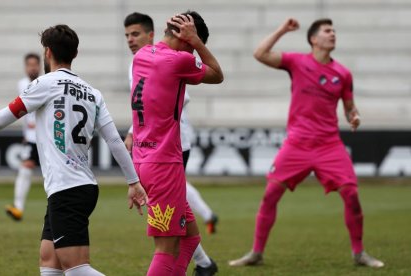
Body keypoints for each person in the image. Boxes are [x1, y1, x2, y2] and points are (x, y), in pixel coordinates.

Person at [228, 18, 384, 268]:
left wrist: (354, 116)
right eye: (327, 31)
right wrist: (281, 29)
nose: (333, 34)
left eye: (334, 30)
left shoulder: (343, 74)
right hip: (297, 144)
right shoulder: (296, 62)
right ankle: (256, 252)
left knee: (352, 195)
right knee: (270, 194)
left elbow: (349, 108)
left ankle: (359, 253)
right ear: (314, 39)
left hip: (329, 145)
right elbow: (260, 53)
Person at [0, 24, 147, 276]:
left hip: (68, 188)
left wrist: (134, 182)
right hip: (78, 186)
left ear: (47, 52)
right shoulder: (92, 93)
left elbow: (4, 118)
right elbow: (114, 141)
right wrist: (133, 181)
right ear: (74, 54)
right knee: (49, 260)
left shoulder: (44, 83)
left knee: (76, 268)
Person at [123, 12, 218, 275]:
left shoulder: (140, 56)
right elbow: (217, 75)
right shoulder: (180, 60)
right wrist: (198, 44)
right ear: (186, 38)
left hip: (143, 160)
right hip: (164, 163)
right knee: (165, 249)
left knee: (190, 238)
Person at [5, 53, 41, 221]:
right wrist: (26, 134)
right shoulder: (22, 84)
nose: (32, 67)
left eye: (35, 64)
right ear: (25, 67)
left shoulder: (45, 82)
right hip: (32, 138)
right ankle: (18, 207)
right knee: (25, 168)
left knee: (51, 173)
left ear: (40, 66)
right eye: (29, 64)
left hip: (45, 137)